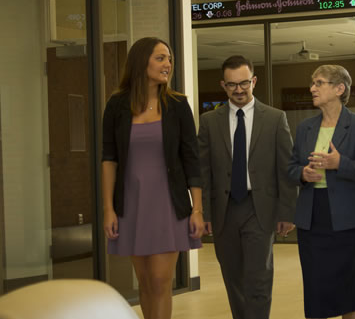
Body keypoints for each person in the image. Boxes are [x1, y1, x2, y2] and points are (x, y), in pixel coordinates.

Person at [101, 37, 204, 319]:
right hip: (131, 204)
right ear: (140, 61)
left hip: (168, 204)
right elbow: (109, 160)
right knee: (145, 282)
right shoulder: (117, 105)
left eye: (168, 58)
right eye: (160, 58)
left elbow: (191, 158)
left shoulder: (178, 105)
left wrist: (197, 209)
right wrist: (108, 209)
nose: (167, 64)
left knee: (160, 281)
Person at [198, 55, 296, 319]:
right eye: (232, 85)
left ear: (254, 80)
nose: (239, 90)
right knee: (233, 279)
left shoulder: (275, 119)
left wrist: (287, 212)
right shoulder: (209, 122)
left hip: (259, 208)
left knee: (259, 279)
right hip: (224, 210)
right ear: (223, 85)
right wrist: (204, 213)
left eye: (244, 83)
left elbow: (286, 169)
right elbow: (203, 173)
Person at [288, 65, 355, 319]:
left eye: (319, 83)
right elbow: (291, 167)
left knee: (353, 285)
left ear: (339, 89)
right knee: (318, 285)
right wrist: (302, 174)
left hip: (352, 218)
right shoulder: (305, 127)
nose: (312, 88)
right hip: (313, 217)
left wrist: (340, 164)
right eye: (312, 83)